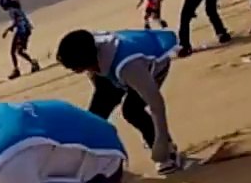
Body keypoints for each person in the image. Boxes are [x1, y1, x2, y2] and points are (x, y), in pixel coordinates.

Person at [54, 27, 183, 174]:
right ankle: (99, 160)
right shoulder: (89, 47)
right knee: (95, 116)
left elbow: (156, 104)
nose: (75, 71)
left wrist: (160, 141)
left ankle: (168, 150)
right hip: (112, 67)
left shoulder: (129, 66)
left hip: (150, 67)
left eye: (76, 68)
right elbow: (101, 88)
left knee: (132, 110)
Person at [0, 0, 41, 80]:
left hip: (22, 31)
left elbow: (16, 22)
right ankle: (21, 67)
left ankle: (31, 64)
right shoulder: (16, 9)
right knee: (16, 51)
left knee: (16, 51)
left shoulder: (12, 11)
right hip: (23, 30)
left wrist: (7, 30)